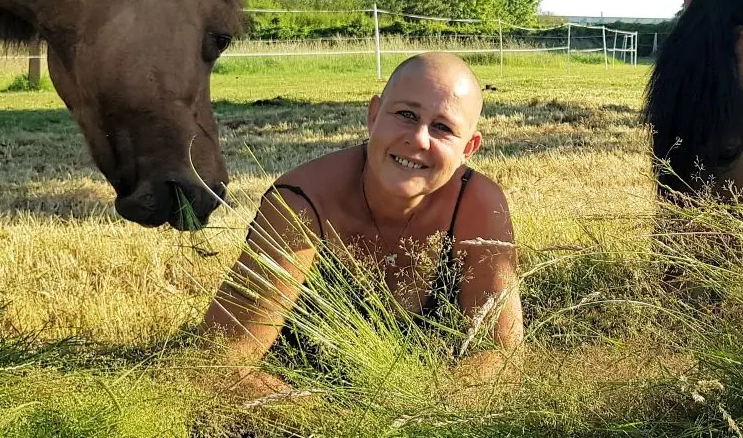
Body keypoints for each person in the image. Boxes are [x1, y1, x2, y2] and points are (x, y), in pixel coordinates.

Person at [198, 52, 524, 397]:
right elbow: (219, 362)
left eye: (442, 127)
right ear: (373, 115)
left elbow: (502, 357)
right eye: (406, 115)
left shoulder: (477, 205)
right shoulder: (301, 203)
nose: (418, 139)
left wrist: (415, 414)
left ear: (469, 147)